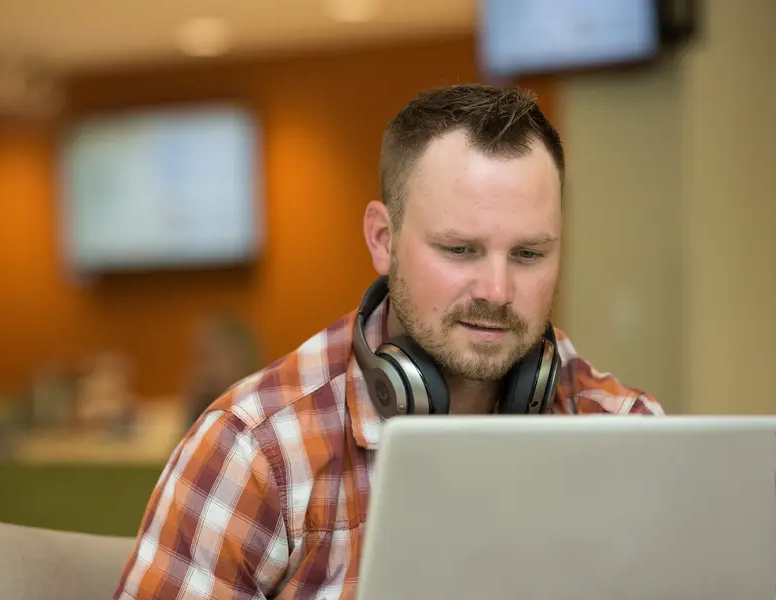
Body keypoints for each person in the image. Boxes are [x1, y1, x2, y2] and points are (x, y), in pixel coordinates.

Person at [112, 83, 664, 600]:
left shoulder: (626, 431)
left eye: (528, 255)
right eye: (459, 249)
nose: (497, 291)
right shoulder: (254, 450)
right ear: (383, 239)